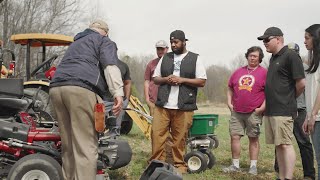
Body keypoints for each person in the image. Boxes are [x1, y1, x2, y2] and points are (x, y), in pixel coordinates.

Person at [49, 20, 123, 180]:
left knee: (68, 146)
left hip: (56, 89)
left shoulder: (76, 43)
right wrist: (118, 92)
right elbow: (110, 66)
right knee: (85, 147)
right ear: (105, 32)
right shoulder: (104, 41)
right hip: (80, 89)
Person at [149, 30, 207, 174]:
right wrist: (166, 79)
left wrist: (182, 80)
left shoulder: (195, 58)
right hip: (163, 105)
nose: (173, 45)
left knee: (179, 138)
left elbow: (202, 81)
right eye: (171, 42)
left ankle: (179, 165)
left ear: (184, 42)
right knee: (157, 135)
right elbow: (155, 78)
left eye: (176, 42)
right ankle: (156, 164)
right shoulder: (165, 58)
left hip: (184, 106)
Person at [257, 27, 305, 180]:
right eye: (263, 40)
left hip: (284, 109)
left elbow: (301, 83)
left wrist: (289, 98)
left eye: (267, 40)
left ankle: (288, 177)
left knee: (285, 144)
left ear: (278, 39)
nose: (264, 43)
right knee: (278, 145)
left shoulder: (291, 56)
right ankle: (282, 176)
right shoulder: (273, 58)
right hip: (271, 110)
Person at [274, 43, 315, 180]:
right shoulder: (281, 66)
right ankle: (279, 171)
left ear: (297, 53)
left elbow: (309, 90)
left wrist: (309, 113)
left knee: (303, 142)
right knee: (281, 141)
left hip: (300, 110)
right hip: (283, 109)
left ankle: (309, 174)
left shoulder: (306, 68)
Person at [223, 46, 266, 175]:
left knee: (253, 138)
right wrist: (229, 103)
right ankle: (235, 165)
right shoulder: (237, 72)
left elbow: (270, 92)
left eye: (255, 56)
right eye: (251, 55)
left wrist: (263, 107)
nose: (252, 58)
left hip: (254, 112)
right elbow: (230, 88)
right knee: (234, 137)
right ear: (247, 56)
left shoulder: (264, 73)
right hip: (237, 111)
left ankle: (253, 167)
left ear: (260, 58)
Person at [302, 24, 320, 180]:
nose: (304, 41)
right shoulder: (313, 61)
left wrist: (313, 115)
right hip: (314, 117)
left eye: (307, 38)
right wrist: (308, 116)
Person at [105, 59, 131, 137]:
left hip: (118, 100)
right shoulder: (99, 63)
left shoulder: (123, 65)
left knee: (115, 128)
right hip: (102, 99)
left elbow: (127, 83)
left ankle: (114, 139)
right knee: (99, 126)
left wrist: (126, 99)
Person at [144, 40, 169, 116]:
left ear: (167, 49)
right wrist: (147, 100)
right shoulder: (151, 63)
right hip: (153, 102)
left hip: (168, 102)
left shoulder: (172, 62)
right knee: (154, 126)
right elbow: (146, 82)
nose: (160, 51)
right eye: (158, 49)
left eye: (162, 49)